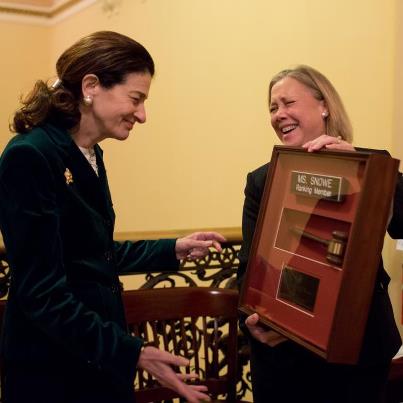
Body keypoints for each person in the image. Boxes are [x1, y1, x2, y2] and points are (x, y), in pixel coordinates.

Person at [0, 31, 225, 403]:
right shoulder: (31, 155)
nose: (142, 115)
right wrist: (132, 352)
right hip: (53, 371)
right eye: (136, 99)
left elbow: (92, 253)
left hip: (95, 360)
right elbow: (41, 292)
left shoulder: (89, 153)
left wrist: (173, 249)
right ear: (91, 86)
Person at [237, 65, 402, 403]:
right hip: (285, 356)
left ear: (324, 105)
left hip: (359, 353)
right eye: (272, 107)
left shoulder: (371, 166)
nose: (279, 114)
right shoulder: (261, 181)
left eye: (288, 102)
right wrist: (252, 321)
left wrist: (361, 168)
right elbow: (250, 268)